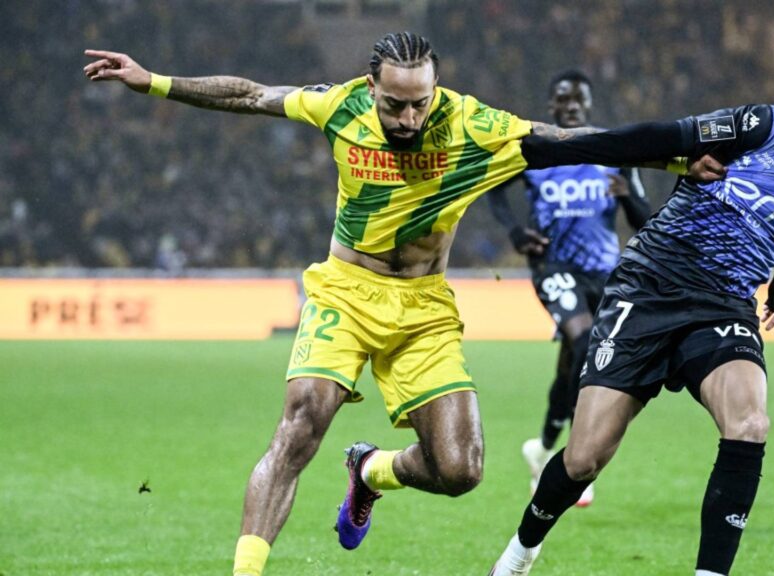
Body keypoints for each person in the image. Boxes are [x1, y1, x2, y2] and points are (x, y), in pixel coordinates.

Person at [83, 32, 722, 576]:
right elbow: (251, 94)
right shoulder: (340, 105)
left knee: (460, 469)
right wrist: (156, 82)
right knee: (301, 424)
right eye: (394, 105)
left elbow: (571, 139)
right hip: (345, 292)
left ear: (435, 89)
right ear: (370, 86)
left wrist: (671, 156)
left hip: (422, 308)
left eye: (419, 104)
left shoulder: (473, 125)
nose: (408, 119)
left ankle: (371, 472)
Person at [489, 63, 774, 575]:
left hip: (722, 303)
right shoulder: (765, 127)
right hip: (649, 286)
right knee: (585, 459)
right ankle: (520, 555)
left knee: (750, 423)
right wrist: (546, 149)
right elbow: (656, 138)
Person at [488, 69, 650, 507]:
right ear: (551, 106)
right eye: (563, 98)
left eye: (579, 99)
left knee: (569, 365)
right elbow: (493, 191)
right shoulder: (538, 151)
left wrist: (627, 198)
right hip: (553, 267)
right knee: (583, 348)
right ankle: (574, 460)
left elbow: (644, 219)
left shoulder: (614, 152)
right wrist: (516, 232)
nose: (572, 105)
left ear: (589, 106)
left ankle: (541, 447)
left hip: (604, 274)